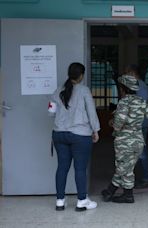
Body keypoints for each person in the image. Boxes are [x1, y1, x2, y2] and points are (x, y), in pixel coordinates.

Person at [101, 75, 148, 203]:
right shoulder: (141, 102)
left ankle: (121, 193)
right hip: (138, 140)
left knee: (123, 167)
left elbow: (118, 124)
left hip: (124, 141)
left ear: (123, 89)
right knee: (127, 167)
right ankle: (116, 192)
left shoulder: (123, 102)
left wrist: (111, 122)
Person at [51, 62, 100, 212]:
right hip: (80, 135)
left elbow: (50, 112)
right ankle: (81, 201)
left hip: (59, 134)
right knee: (79, 168)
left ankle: (60, 201)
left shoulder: (57, 90)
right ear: (81, 75)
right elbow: (91, 112)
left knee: (62, 168)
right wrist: (96, 130)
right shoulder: (84, 90)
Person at [125, 64, 148, 189]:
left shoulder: (140, 87)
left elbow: (138, 107)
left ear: (132, 73)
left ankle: (147, 178)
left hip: (140, 124)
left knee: (141, 152)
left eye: (127, 73)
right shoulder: (136, 86)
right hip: (136, 124)